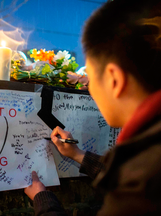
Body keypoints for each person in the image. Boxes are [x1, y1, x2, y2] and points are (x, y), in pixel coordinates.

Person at [25, 0, 161, 215]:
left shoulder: (144, 182)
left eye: (90, 77)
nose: (88, 88)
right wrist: (78, 154)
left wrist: (43, 200)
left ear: (114, 79)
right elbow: (119, 172)